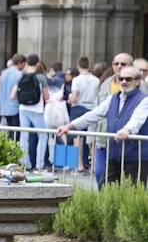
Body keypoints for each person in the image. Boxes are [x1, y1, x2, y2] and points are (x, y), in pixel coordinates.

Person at [58, 65, 148, 188]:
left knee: (133, 194)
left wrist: (127, 130)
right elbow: (94, 114)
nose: (124, 82)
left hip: (136, 156)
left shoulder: (144, 100)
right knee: (105, 189)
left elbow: (137, 119)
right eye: (121, 78)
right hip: (114, 154)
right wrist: (71, 125)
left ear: (137, 81)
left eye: (128, 79)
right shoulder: (113, 98)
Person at [91, 52, 133, 184]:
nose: (119, 66)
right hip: (103, 139)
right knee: (99, 173)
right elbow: (95, 110)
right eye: (116, 63)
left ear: (131, 66)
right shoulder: (105, 83)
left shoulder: (139, 85)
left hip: (127, 141)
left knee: (125, 180)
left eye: (123, 64)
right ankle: (105, 202)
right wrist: (90, 138)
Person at [12, 54, 49, 171]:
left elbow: (12, 95)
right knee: (43, 136)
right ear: (38, 63)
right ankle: (39, 165)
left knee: (24, 136)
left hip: (23, 109)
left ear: (27, 63)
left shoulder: (22, 76)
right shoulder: (41, 77)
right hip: (37, 110)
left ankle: (25, 164)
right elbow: (46, 96)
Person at [69, 56, 99, 171]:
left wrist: (69, 99)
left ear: (78, 66)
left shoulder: (77, 79)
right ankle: (94, 165)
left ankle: (79, 165)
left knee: (78, 138)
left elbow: (74, 97)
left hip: (78, 108)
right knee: (91, 138)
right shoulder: (96, 80)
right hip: (92, 109)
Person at [0, 54, 25, 133]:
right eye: (23, 64)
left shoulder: (3, 73)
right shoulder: (19, 74)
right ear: (20, 62)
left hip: (4, 106)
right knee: (15, 132)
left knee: (10, 130)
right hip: (14, 106)